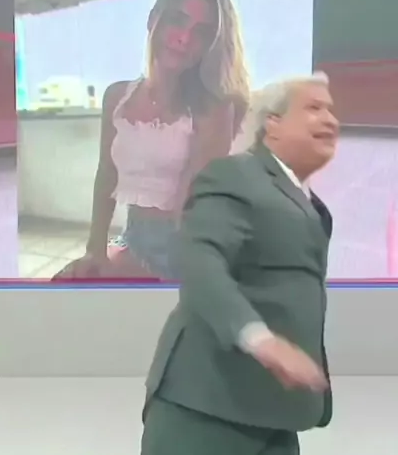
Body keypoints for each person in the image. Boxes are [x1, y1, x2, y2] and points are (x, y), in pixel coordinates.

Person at [141, 72, 339, 455]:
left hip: (275, 416)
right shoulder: (234, 174)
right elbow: (200, 261)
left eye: (331, 110)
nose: (330, 120)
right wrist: (260, 340)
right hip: (205, 412)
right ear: (272, 123)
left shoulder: (311, 205)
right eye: (314, 108)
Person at [56, 0, 249, 280]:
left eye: (200, 32)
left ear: (210, 45)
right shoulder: (116, 97)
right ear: (153, 19)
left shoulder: (213, 108)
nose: (184, 38)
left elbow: (190, 211)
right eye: (177, 20)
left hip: (186, 245)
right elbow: (107, 174)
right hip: (132, 236)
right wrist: (95, 250)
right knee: (65, 283)